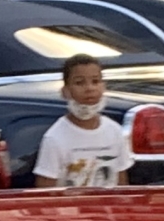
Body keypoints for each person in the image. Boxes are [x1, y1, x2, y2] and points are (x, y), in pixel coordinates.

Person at [32, 56, 134, 189]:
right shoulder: (55, 138)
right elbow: (45, 191)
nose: (89, 88)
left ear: (103, 87)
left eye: (95, 81)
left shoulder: (115, 131)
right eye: (79, 83)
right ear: (66, 91)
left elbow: (122, 183)